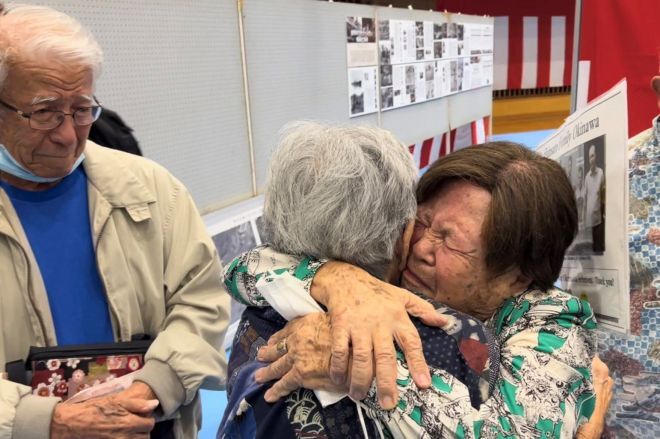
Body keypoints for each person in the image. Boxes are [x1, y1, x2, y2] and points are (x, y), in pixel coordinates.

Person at [229, 141, 610, 437]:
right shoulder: (383, 280)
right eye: (424, 221)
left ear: (516, 277)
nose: (421, 247)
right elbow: (242, 269)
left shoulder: (554, 327)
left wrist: (350, 361)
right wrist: (332, 278)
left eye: (450, 241)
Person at [0, 4, 229, 438]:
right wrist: (44, 423)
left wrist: (155, 384)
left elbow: (202, 300)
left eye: (82, 109)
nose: (68, 135)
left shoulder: (152, 190)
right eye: (44, 112)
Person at [219, 122, 500, 438]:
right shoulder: (459, 343)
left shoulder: (258, 304)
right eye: (422, 222)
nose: (425, 246)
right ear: (402, 234)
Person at [584, 144, 605, 253]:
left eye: (592, 156)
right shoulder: (587, 177)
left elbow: (603, 193)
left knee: (599, 248)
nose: (591, 159)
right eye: (589, 157)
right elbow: (586, 198)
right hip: (589, 221)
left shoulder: (601, 173)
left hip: (599, 219)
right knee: (591, 250)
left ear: (596, 156)